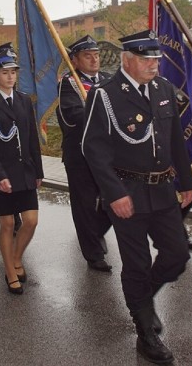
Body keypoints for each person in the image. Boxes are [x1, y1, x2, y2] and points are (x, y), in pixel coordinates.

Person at [82, 30, 192, 364]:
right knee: (137, 263)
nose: (154, 65)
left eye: (157, 58)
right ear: (127, 60)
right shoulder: (105, 95)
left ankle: (142, 300)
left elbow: (176, 139)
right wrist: (113, 193)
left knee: (176, 254)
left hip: (162, 190)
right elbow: (93, 148)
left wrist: (186, 181)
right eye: (147, 59)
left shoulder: (163, 90)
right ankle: (146, 332)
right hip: (126, 192)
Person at [0, 44, 43, 294]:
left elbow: (31, 138)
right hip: (0, 174)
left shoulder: (24, 101)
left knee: (31, 221)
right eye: (5, 73)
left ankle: (16, 256)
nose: (10, 77)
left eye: (13, 72)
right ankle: (9, 270)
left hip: (24, 171)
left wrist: (38, 171)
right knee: (6, 224)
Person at [56, 35, 113, 272]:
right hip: (80, 155)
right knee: (85, 205)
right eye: (87, 56)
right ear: (75, 60)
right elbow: (73, 116)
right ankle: (93, 254)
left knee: (113, 200)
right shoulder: (68, 84)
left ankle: (96, 232)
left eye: (96, 55)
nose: (94, 59)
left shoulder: (109, 80)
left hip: (108, 156)